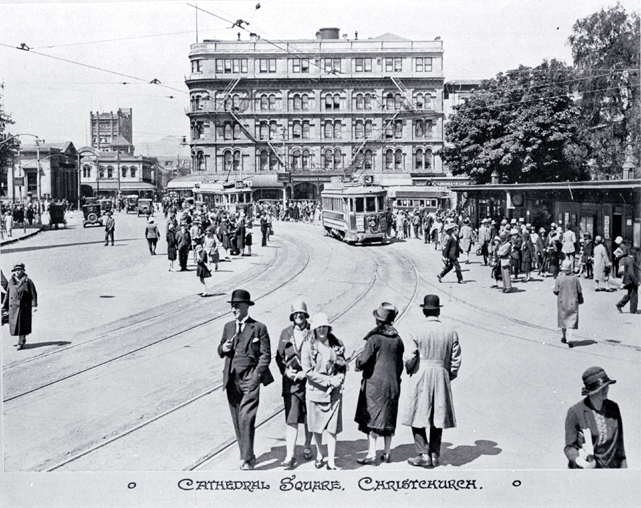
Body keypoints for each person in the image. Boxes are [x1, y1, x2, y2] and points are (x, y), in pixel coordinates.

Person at [217, 289, 274, 470]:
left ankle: (246, 457)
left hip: (250, 378)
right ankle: (248, 456)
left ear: (246, 307)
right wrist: (223, 348)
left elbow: (266, 355)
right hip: (231, 378)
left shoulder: (258, 328)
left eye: (237, 306)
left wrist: (257, 375)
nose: (233, 310)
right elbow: (220, 350)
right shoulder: (228, 327)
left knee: (246, 418)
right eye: (232, 307)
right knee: (237, 419)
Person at [402, 295, 461, 468]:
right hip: (441, 374)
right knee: (438, 414)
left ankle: (423, 454)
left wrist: (411, 370)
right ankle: (434, 454)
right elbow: (455, 359)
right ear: (439, 310)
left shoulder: (416, 330)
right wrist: (447, 374)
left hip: (421, 374)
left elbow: (409, 356)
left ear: (424, 311)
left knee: (417, 414)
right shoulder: (450, 331)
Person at [354, 303, 404, 465]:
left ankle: (371, 454)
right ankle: (387, 452)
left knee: (371, 418)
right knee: (388, 417)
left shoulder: (374, 338)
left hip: (375, 385)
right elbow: (400, 365)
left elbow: (363, 360)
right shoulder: (398, 340)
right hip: (393, 384)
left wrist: (357, 364)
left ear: (378, 321)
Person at [301, 312, 347, 470]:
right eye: (319, 327)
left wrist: (340, 378)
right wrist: (328, 380)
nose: (322, 330)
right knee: (316, 428)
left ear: (328, 328)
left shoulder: (336, 344)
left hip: (334, 393)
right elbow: (307, 371)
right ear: (314, 329)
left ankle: (331, 461)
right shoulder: (307, 345)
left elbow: (342, 365)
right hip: (315, 393)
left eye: (324, 327)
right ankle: (321, 453)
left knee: (332, 429)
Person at [275, 300, 314, 469]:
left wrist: (305, 372)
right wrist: (285, 371)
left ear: (306, 315)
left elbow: (318, 358)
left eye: (301, 313)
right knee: (291, 418)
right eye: (295, 313)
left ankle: (306, 445)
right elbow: (279, 357)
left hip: (309, 383)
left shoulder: (313, 333)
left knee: (308, 418)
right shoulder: (285, 333)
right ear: (292, 316)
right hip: (290, 384)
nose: (298, 316)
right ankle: (289, 454)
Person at [564, 367, 626, 469]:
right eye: (601, 388)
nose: (605, 390)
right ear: (591, 391)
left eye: (606, 386)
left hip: (612, 471)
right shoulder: (575, 412)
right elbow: (569, 447)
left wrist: (625, 474)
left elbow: (620, 449)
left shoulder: (614, 408)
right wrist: (578, 459)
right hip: (587, 472)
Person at [2, 263, 37, 350]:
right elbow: (8, 293)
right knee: (15, 325)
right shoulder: (11, 281)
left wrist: (34, 305)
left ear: (23, 271)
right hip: (13, 307)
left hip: (24, 307)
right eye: (16, 270)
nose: (18, 272)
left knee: (22, 325)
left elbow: (33, 294)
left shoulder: (28, 281)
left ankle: (20, 341)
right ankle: (22, 337)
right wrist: (4, 304)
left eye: (19, 270)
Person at [553, 259, 583, 346]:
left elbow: (555, 291)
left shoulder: (559, 278)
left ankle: (564, 337)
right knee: (571, 320)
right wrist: (581, 299)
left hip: (562, 301)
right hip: (573, 302)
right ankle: (569, 338)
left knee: (563, 319)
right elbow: (579, 291)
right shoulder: (575, 279)